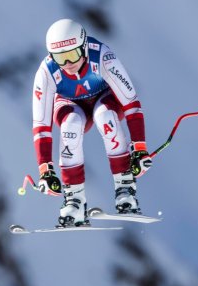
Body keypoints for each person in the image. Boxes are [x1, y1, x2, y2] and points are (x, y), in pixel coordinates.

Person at [32, 18, 152, 227]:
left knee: (104, 117)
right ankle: (74, 201)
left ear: (84, 46)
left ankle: (125, 189)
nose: (68, 64)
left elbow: (131, 103)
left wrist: (140, 148)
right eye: (61, 58)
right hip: (70, 104)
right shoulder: (47, 71)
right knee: (70, 125)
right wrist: (45, 170)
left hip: (104, 98)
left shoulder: (102, 57)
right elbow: (41, 126)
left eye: (73, 55)